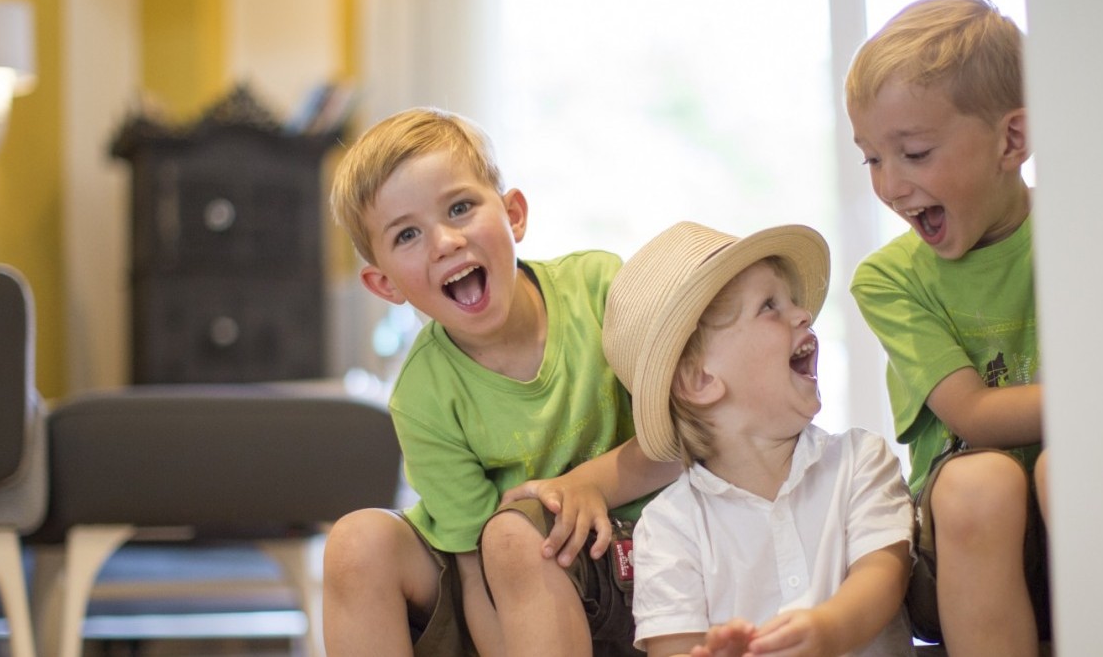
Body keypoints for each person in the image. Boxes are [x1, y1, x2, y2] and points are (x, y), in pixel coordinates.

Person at [844, 0, 1103, 656]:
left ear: (1011, 140)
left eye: (913, 153)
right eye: (872, 158)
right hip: (964, 553)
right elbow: (973, 415)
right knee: (983, 478)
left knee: (1074, 467)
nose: (890, 185)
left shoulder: (1080, 226)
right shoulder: (889, 278)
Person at [320, 106, 679, 657]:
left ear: (513, 214)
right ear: (384, 284)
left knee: (515, 534)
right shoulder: (421, 395)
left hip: (633, 554)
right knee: (355, 543)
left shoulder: (600, 289)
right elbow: (473, 570)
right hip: (498, 592)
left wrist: (589, 484)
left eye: (460, 208)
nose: (444, 242)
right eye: (408, 234)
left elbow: (687, 439)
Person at [600, 220, 915, 657]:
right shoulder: (670, 528)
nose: (803, 314)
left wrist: (828, 630)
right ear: (700, 380)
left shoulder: (859, 461)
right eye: (769, 306)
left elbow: (884, 576)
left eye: (793, 301)